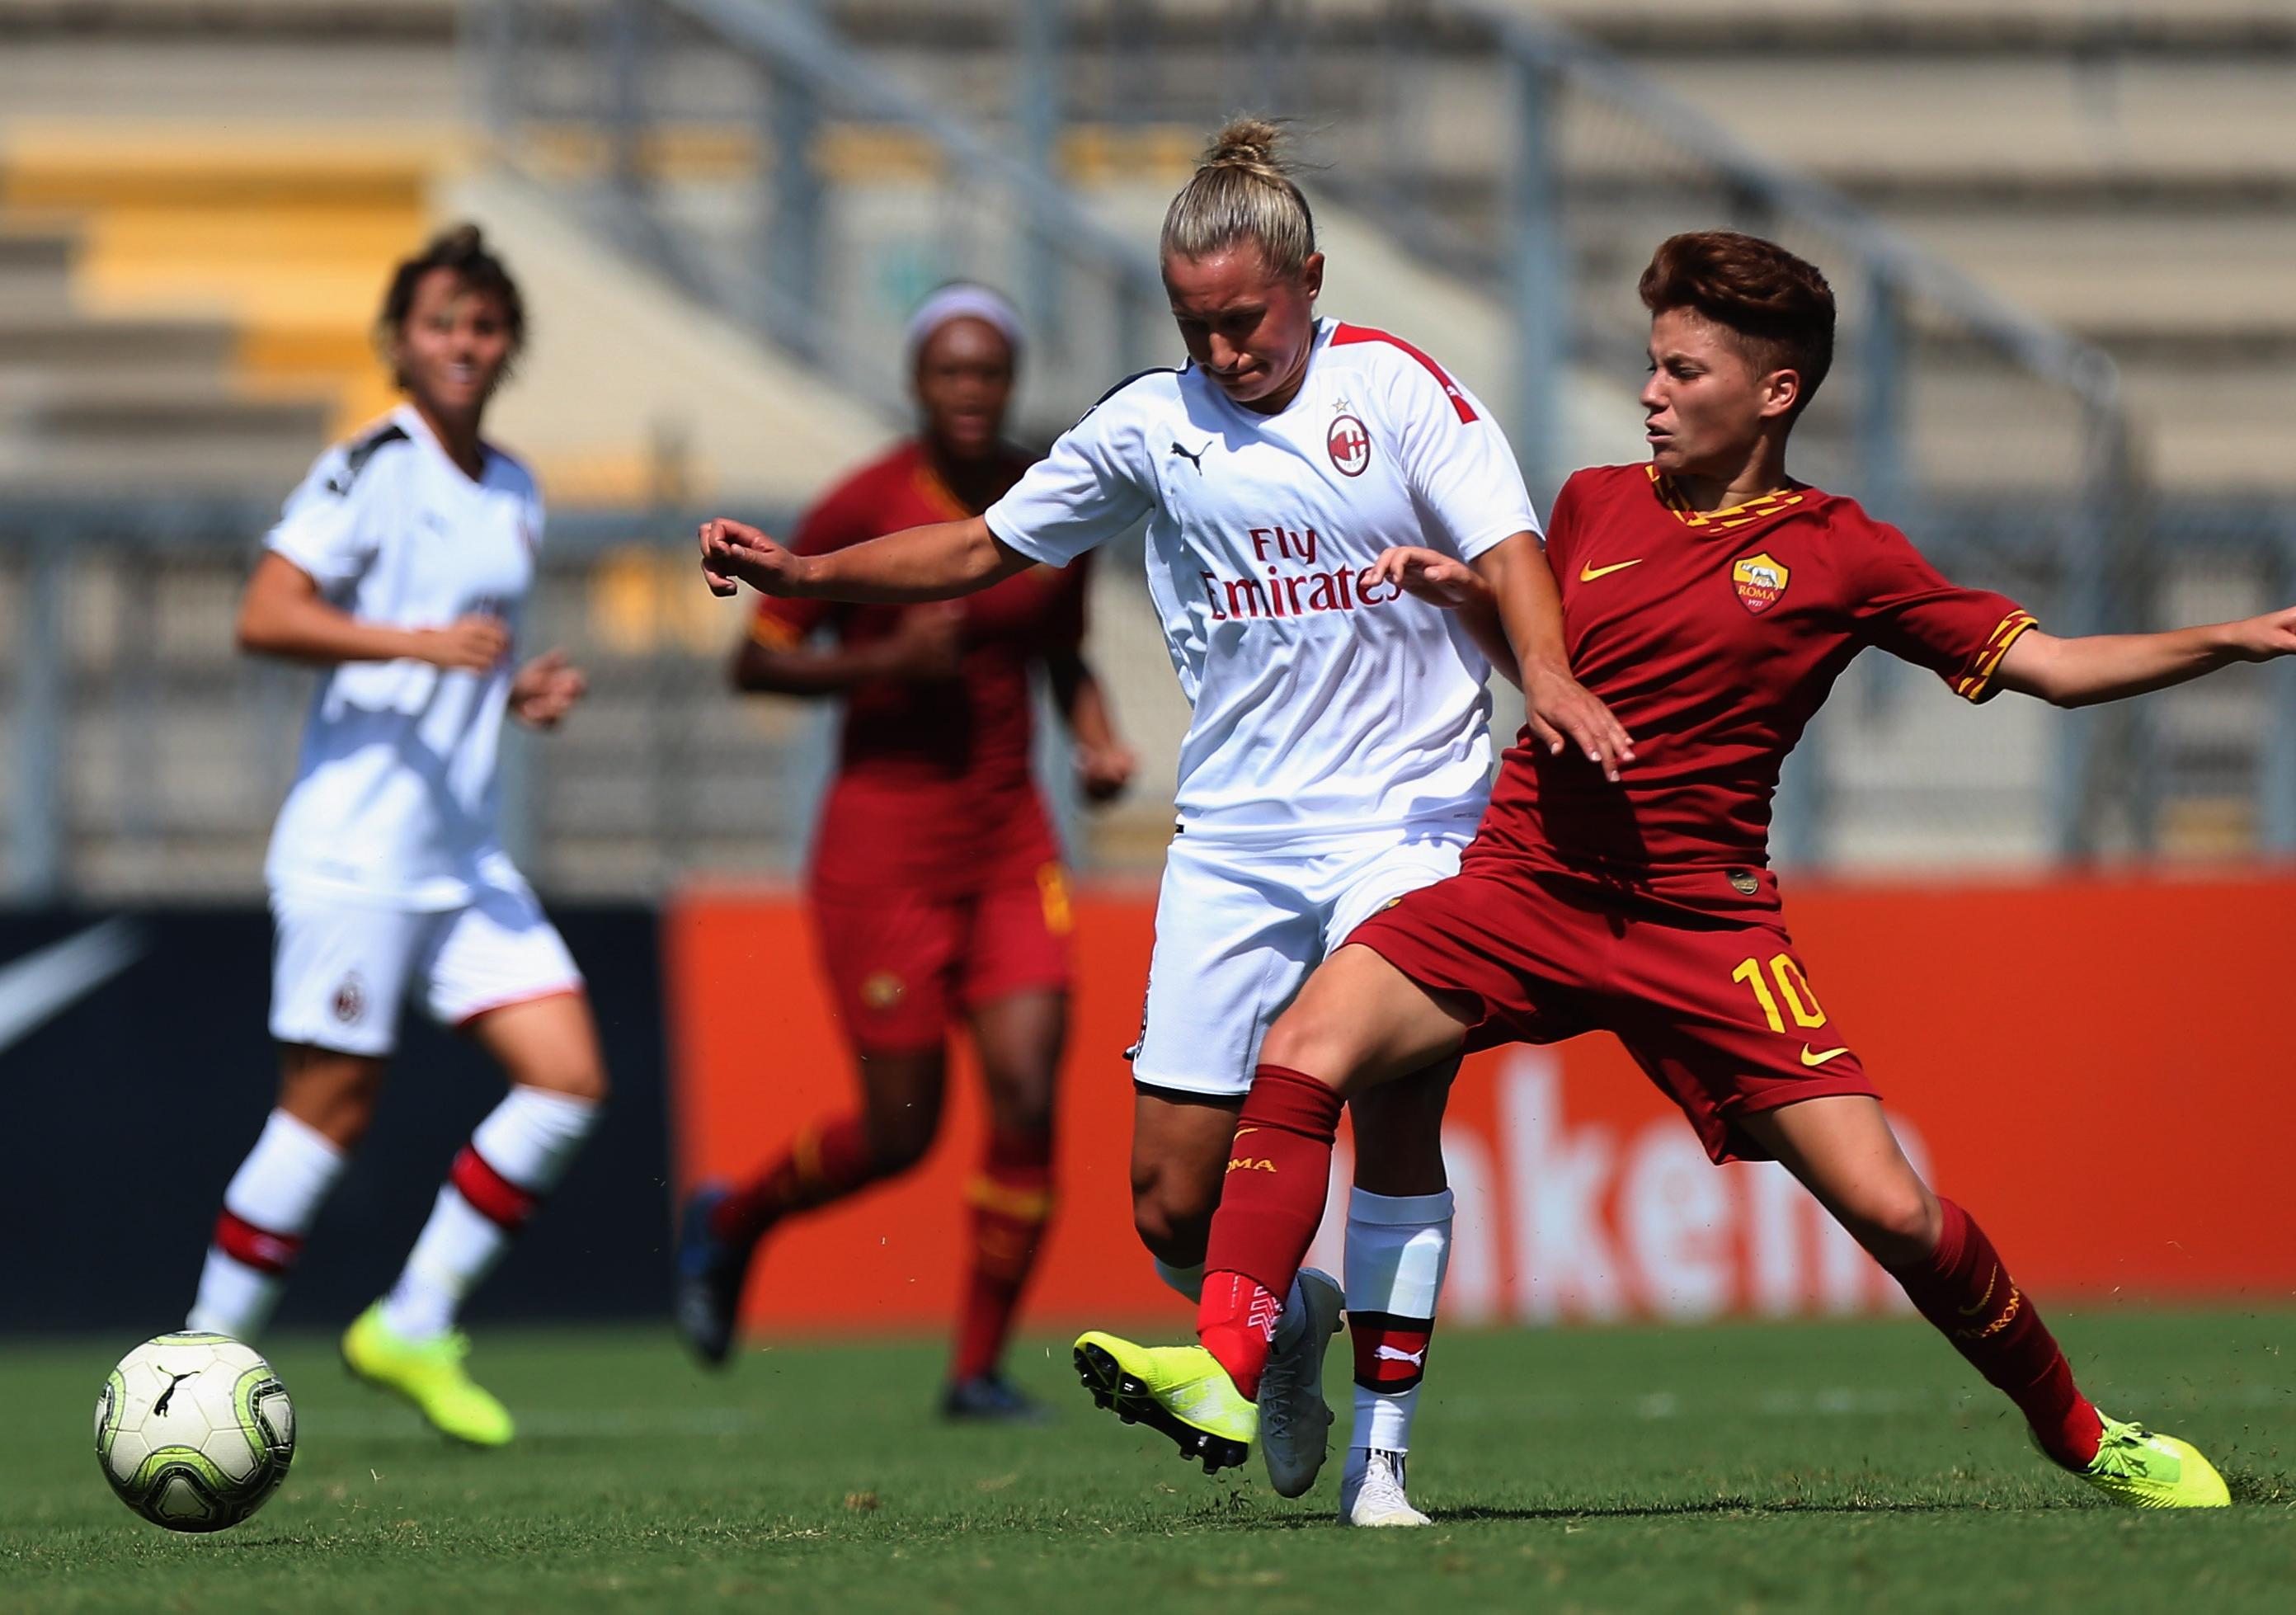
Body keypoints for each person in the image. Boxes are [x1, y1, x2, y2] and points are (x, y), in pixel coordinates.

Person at [1075, 229, 2296, 1512]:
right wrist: (1465, 601)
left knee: (1897, 1211)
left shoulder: (1839, 552)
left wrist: (2231, 637)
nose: (1651, 392)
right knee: (1307, 1042)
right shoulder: (1585, 504)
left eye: (1683, 373)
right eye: (1649, 365)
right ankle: (1236, 1363)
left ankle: (2086, 1433)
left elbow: (2048, 664)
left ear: (1774, 391)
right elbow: (1549, 672)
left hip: (1701, 924)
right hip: (1525, 886)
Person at [698, 119, 1626, 1524]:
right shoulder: (1151, 422)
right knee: (1166, 1206)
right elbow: (976, 545)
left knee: (1381, 1109)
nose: (1223, 350)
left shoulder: (1401, 389)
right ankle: (1291, 1329)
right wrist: (808, 565)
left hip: (1407, 821)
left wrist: (1543, 674)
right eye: (1194, 324)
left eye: (1245, 320)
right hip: (1236, 840)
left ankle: (1383, 1466)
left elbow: (1509, 549)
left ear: (1309, 279)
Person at [671, 285, 1137, 1420]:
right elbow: (756, 665)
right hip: (882, 852)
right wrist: (879, 667)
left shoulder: (1049, 496)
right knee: (901, 1130)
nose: (971, 393)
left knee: (1028, 1094)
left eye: (989, 374)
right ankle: (731, 1220)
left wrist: (1091, 732)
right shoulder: (862, 502)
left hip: (1009, 842)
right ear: (918, 383)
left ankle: (975, 1368)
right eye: (950, 373)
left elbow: (1060, 651)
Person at [184, 224, 605, 1448]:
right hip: (355, 849)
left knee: (567, 1080)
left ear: (507, 341)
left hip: (459, 855)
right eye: (440, 325)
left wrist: (509, 689)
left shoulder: (514, 486)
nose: (463, 345)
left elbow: (457, 648)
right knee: (327, 1111)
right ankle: (200, 1362)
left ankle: (414, 1318)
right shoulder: (371, 462)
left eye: (482, 325)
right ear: (398, 344)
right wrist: (421, 647)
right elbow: (266, 613)